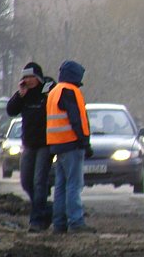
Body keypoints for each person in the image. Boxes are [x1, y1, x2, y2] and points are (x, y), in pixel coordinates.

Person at [46, 60, 96, 234]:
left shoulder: (54, 92)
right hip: (71, 145)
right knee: (74, 185)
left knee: (60, 186)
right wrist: (85, 143)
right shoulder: (70, 91)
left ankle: (59, 223)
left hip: (57, 145)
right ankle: (76, 222)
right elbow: (76, 120)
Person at [6, 62, 54, 233]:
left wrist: (47, 90)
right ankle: (47, 210)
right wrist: (20, 94)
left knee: (39, 182)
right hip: (28, 144)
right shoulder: (24, 94)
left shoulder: (48, 89)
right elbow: (11, 110)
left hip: (45, 144)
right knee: (26, 181)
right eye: (25, 77)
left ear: (38, 77)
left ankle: (37, 221)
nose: (28, 80)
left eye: (31, 77)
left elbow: (55, 100)